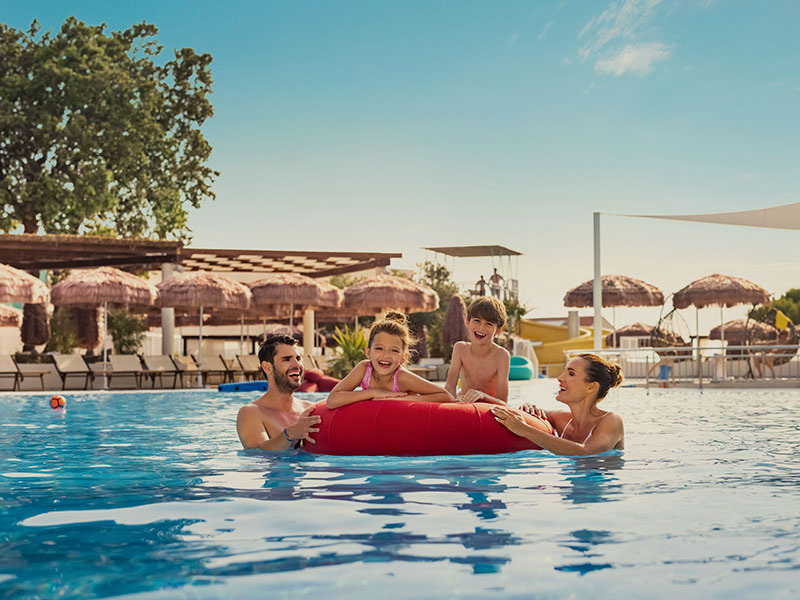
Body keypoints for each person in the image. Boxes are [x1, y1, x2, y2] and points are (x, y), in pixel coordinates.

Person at [492, 353, 625, 456]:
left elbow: (586, 452)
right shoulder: (561, 419)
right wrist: (528, 408)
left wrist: (525, 430)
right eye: (564, 371)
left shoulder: (612, 420)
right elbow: (520, 417)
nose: (560, 378)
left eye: (571, 374)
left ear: (591, 387)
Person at [326, 312, 455, 408]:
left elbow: (446, 396)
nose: (386, 355)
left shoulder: (401, 378)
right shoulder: (364, 369)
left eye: (394, 350)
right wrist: (375, 393)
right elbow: (332, 401)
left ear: (403, 358)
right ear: (368, 352)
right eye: (379, 348)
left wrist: (400, 400)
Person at [236, 334, 322, 450]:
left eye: (298, 358)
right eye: (287, 359)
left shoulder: (310, 409)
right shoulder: (251, 413)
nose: (297, 365)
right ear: (267, 368)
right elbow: (257, 454)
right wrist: (290, 434)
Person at [445, 296, 510, 405]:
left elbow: (503, 402)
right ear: (467, 321)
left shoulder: (502, 355)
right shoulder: (460, 348)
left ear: (498, 330)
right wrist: (453, 401)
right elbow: (450, 388)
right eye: (477, 321)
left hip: (488, 405)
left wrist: (483, 396)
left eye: (489, 324)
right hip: (464, 403)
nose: (481, 327)